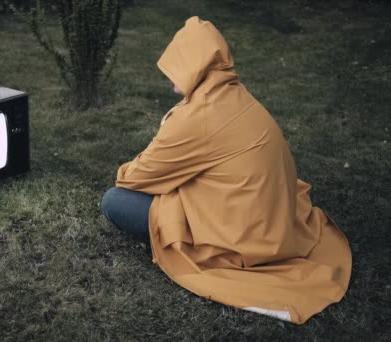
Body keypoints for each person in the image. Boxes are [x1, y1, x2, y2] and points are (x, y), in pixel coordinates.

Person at [101, 16, 351, 324]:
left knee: (115, 200)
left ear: (195, 66)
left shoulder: (198, 116)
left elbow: (134, 177)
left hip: (239, 237)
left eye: (177, 64)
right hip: (267, 221)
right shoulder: (234, 94)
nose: (169, 74)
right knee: (168, 183)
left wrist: (153, 158)